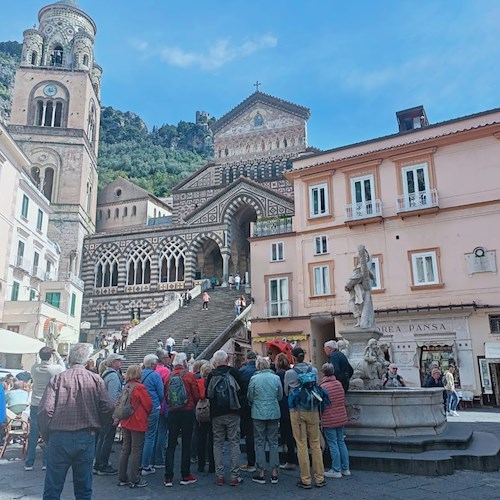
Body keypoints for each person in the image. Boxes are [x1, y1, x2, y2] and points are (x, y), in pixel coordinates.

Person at [38, 343, 114, 499]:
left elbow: (45, 410)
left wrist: (46, 434)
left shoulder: (57, 379)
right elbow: (108, 407)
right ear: (86, 361)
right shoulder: (96, 380)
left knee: (53, 488)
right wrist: (98, 425)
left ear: (70, 359)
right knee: (84, 489)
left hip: (59, 436)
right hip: (86, 435)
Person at [284, 347, 326, 489]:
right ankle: (320, 477)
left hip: (297, 411)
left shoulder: (290, 373)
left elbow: (286, 391)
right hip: (313, 409)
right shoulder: (313, 370)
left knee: (301, 444)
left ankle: (306, 479)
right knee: (315, 443)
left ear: (293, 358)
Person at [25, 347, 66, 472]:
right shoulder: (54, 369)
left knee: (33, 434)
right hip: (49, 403)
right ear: (51, 356)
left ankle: (29, 463)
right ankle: (46, 462)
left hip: (35, 403)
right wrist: (57, 355)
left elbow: (37, 363)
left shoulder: (34, 368)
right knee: (48, 433)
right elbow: (63, 367)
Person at [206, 350, 243, 486]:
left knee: (218, 443)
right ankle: (234, 475)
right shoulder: (233, 372)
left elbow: (207, 394)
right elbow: (241, 391)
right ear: (227, 360)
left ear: (215, 362)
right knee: (234, 443)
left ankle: (219, 475)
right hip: (233, 411)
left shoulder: (211, 374)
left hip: (216, 414)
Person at [164, 352, 200, 487]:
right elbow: (196, 394)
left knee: (171, 444)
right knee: (186, 443)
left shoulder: (168, 377)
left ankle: (168, 477)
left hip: (173, 412)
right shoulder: (189, 376)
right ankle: (185, 474)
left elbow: (166, 396)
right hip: (187, 411)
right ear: (185, 362)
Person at [247, 356, 283, 485]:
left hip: (258, 413)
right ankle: (274, 472)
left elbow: (250, 396)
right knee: (273, 442)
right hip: (273, 411)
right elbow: (280, 395)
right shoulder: (276, 378)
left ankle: (261, 472)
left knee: (260, 442)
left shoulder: (254, 379)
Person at [118, 365, 153, 488]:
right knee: (136, 450)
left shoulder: (126, 386)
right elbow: (148, 404)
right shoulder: (140, 387)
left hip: (126, 420)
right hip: (137, 420)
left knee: (125, 449)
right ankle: (135, 478)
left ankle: (122, 477)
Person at [94, 353, 124, 476]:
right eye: (118, 361)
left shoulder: (105, 374)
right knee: (107, 438)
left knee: (102, 438)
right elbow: (113, 397)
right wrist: (115, 415)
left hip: (103, 411)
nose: (120, 363)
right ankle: (103, 465)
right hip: (109, 412)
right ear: (113, 363)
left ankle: (99, 463)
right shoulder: (113, 377)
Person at [319, 363, 350, 478]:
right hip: (341, 416)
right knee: (341, 442)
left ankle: (336, 469)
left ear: (323, 372)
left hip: (329, 418)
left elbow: (321, 403)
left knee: (333, 443)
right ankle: (346, 468)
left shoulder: (323, 386)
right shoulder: (339, 384)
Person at [140, 354, 164, 475]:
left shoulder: (139, 374)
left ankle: (138, 463)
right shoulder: (155, 375)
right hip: (153, 406)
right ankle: (146, 465)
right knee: (150, 436)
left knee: (141, 436)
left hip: (140, 408)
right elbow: (161, 393)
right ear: (153, 364)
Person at [344, 244, 376, 329]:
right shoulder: (363, 269)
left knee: (354, 303)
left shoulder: (359, 269)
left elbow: (354, 278)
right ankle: (359, 320)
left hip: (359, 291)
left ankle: (359, 320)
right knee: (355, 304)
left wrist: (347, 286)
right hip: (357, 291)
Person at [275, 353, 296, 470]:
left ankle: (288, 458)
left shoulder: (278, 374)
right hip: (292, 404)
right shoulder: (291, 373)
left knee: (286, 432)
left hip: (283, 405)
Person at [239, 351, 257, 473]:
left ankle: (251, 462)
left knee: (249, 433)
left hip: (246, 405)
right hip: (261, 405)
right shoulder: (260, 370)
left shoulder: (242, 371)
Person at [196, 362, 214, 474]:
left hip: (200, 412)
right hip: (211, 411)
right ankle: (212, 464)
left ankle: (201, 465)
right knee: (212, 439)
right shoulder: (213, 381)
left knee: (200, 438)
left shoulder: (198, 382)